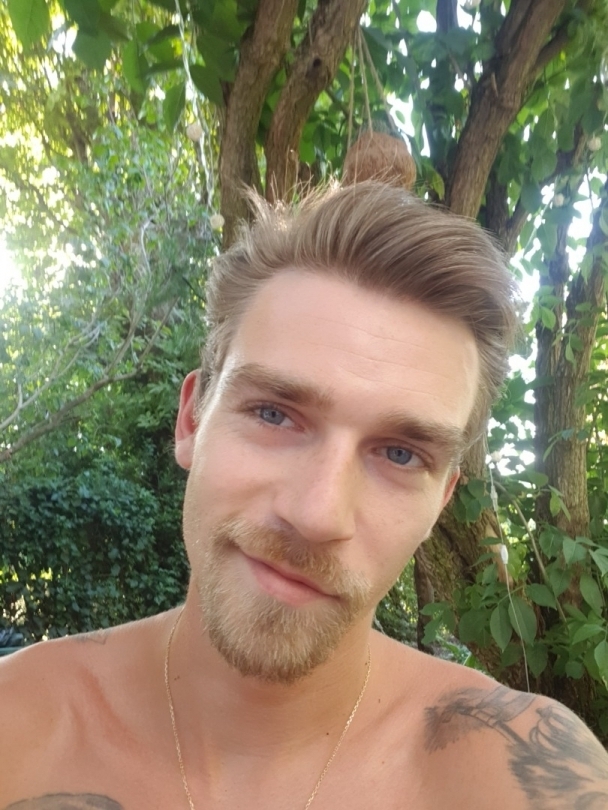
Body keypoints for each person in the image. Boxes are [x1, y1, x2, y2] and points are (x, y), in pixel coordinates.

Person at [1, 182, 607, 810]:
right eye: (273, 414)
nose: (318, 514)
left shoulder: (520, 774)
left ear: (441, 503)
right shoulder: (16, 728)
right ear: (191, 420)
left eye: (400, 454)